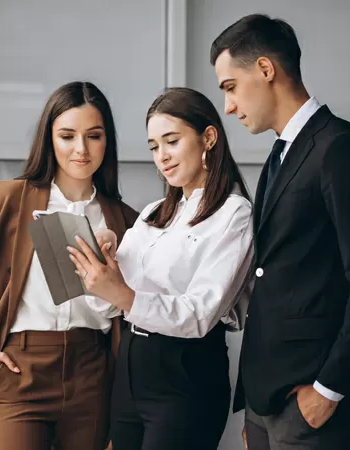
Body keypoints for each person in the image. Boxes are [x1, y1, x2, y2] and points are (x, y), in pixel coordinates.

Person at [210, 14, 350, 450]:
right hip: (265, 401)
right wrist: (255, 406)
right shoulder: (281, 155)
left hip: (310, 402)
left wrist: (329, 391)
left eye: (230, 87)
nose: (229, 107)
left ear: (264, 69)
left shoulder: (340, 149)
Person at [0, 81, 140, 450]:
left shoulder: (126, 221)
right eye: (67, 135)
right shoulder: (7, 200)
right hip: (20, 370)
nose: (81, 149)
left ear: (107, 142)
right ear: (49, 139)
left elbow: (131, 311)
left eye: (93, 136)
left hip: (93, 374)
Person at [67, 87, 255, 450]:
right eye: (154, 146)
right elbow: (112, 304)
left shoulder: (234, 214)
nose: (162, 157)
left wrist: (121, 292)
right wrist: (102, 266)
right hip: (131, 368)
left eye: (171, 141)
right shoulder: (154, 213)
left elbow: (200, 314)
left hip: (185, 374)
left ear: (208, 138)